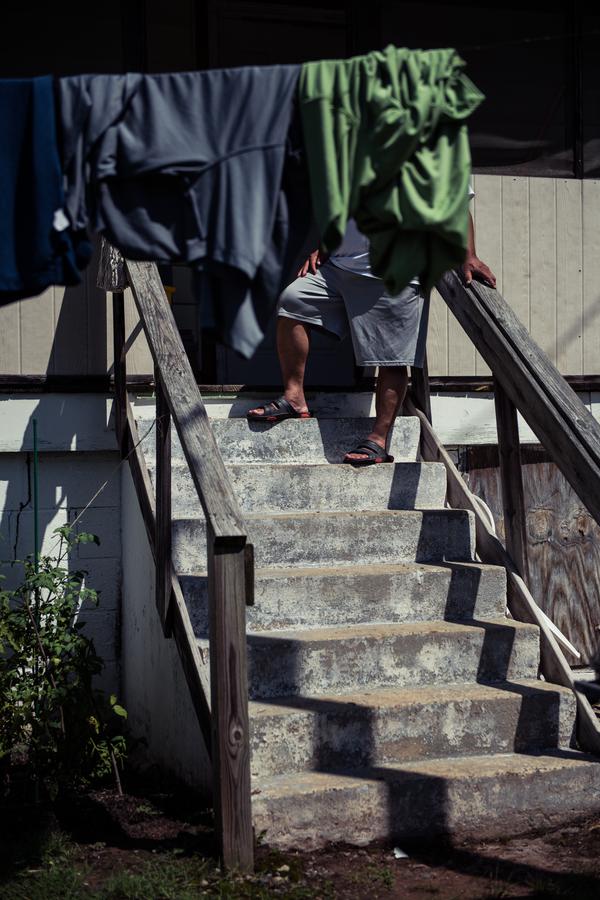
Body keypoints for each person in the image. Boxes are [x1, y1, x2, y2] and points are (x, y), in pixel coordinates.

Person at [247, 197, 496, 464]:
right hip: (340, 266)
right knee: (293, 301)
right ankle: (294, 398)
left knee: (393, 357)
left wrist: (469, 256)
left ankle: (378, 439)